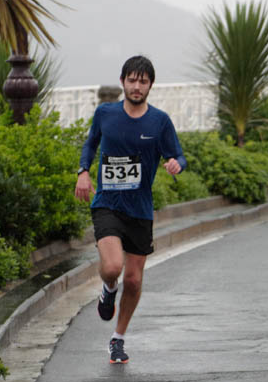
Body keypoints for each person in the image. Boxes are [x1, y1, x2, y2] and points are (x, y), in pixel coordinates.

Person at [74, 56, 186, 364]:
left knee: (134, 280)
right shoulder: (105, 113)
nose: (137, 86)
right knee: (113, 267)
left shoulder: (159, 121)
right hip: (107, 204)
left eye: (143, 81)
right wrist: (83, 171)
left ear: (151, 85)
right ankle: (109, 287)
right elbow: (90, 144)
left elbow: (178, 155)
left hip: (140, 210)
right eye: (132, 80)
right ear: (123, 81)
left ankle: (118, 338)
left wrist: (176, 164)